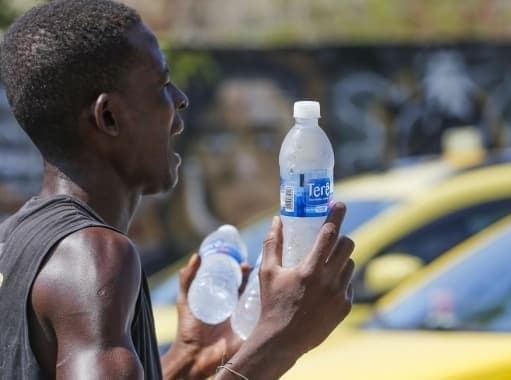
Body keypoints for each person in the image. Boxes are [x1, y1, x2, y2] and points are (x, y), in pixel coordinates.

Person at [0, 1, 355, 379]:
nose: (181, 98)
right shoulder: (93, 256)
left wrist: (188, 359)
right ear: (108, 117)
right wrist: (281, 338)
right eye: (162, 85)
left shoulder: (18, 234)